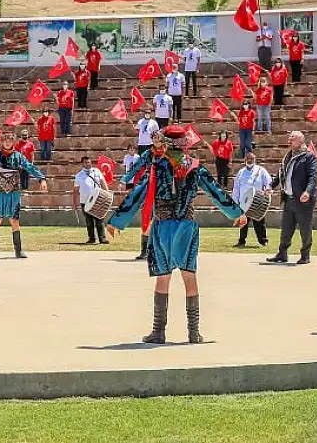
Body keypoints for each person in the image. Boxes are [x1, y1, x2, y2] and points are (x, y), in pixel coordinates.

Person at [107, 125, 246, 344]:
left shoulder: (157, 167)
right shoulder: (196, 168)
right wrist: (236, 213)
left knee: (163, 277)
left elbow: (138, 194)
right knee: (189, 275)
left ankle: (158, 332)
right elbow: (216, 192)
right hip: (186, 226)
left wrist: (117, 220)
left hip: (162, 226)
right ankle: (193, 333)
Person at [0, 131, 49, 259]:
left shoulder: (18, 156)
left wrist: (41, 178)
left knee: (15, 220)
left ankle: (18, 250)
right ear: (2, 141)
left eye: (10, 140)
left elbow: (30, 167)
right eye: (5, 140)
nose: (7, 142)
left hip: (14, 193)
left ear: (13, 142)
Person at [267, 130, 317, 265]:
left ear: (301, 141)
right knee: (286, 228)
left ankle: (305, 255)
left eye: (293, 138)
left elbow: (313, 177)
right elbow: (281, 175)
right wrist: (271, 186)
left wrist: (307, 192)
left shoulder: (309, 157)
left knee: (304, 228)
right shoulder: (288, 157)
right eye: (289, 138)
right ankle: (282, 254)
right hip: (289, 198)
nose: (289, 140)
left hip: (303, 200)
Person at [232, 151, 271, 247]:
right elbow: (236, 188)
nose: (250, 160)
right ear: (245, 160)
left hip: (257, 201)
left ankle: (263, 241)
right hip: (244, 202)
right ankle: (241, 241)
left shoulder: (261, 170)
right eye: (248, 158)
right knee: (243, 223)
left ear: (255, 160)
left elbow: (269, 182)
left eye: (252, 159)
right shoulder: (240, 172)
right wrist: (235, 201)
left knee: (259, 222)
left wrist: (268, 190)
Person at [73, 156, 109, 245]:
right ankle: (91, 238)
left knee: (99, 219)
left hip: (97, 199)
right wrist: (74, 203)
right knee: (89, 221)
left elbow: (103, 183)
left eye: (89, 162)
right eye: (85, 162)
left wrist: (107, 194)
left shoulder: (96, 171)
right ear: (82, 164)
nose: (87, 164)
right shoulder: (78, 176)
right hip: (85, 201)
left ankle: (102, 239)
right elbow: (75, 191)